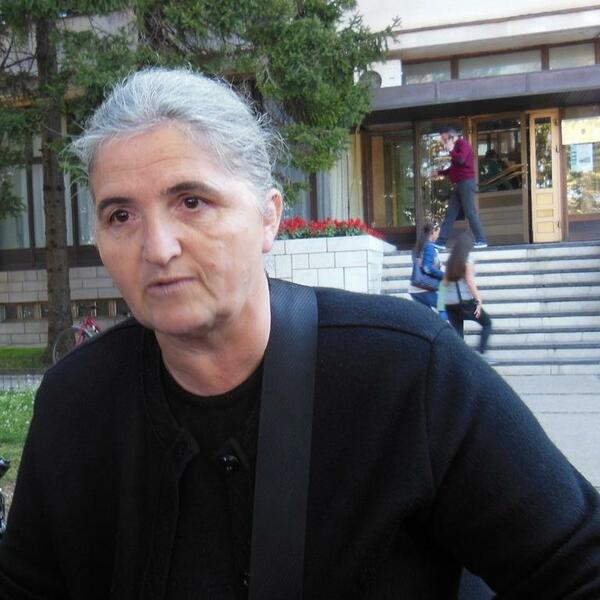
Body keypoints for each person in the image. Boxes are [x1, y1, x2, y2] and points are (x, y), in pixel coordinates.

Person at [0, 68, 599, 600]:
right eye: (121, 215)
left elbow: (576, 566)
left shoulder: (408, 372)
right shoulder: (75, 403)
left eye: (192, 201)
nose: (157, 248)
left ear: (269, 217)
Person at [439, 232, 493, 357]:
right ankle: (481, 354)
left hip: (449, 304)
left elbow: (443, 284)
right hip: (465, 303)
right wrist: (478, 299)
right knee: (487, 323)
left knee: (458, 335)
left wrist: (440, 305)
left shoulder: (450, 261)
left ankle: (459, 359)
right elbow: (470, 282)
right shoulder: (468, 261)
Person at [435, 126, 488, 250]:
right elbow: (454, 168)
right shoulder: (456, 147)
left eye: (445, 140)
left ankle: (481, 240)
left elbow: (461, 160)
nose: (444, 143)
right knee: (450, 213)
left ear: (452, 137)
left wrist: (451, 150)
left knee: (470, 211)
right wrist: (439, 173)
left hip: (466, 183)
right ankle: (441, 242)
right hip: (459, 184)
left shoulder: (463, 144)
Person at [409, 222, 443, 310]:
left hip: (415, 288)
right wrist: (444, 275)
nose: (438, 236)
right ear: (432, 232)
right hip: (424, 288)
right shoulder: (429, 246)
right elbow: (427, 268)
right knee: (446, 308)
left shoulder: (419, 246)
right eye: (437, 233)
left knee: (427, 316)